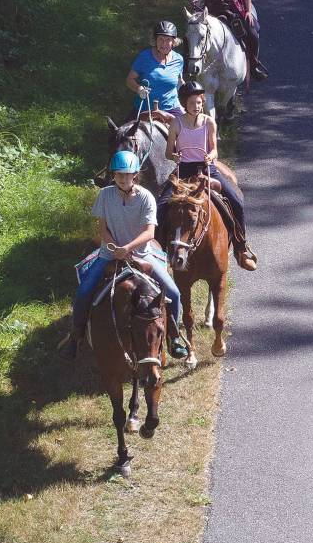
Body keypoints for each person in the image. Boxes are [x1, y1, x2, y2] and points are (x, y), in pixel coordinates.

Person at [58, 151, 188, 360]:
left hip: (141, 255)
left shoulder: (146, 197)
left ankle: (174, 339)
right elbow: (102, 229)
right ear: (113, 175)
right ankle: (77, 335)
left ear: (135, 174)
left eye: (127, 175)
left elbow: (149, 232)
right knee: (83, 292)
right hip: (109, 254)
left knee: (174, 293)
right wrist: (114, 248)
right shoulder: (104, 195)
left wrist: (127, 248)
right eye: (119, 175)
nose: (123, 178)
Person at [158, 81, 258, 271]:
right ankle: (159, 252)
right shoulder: (176, 124)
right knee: (161, 206)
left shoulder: (208, 122)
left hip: (206, 169)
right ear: (184, 104)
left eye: (198, 102)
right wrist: (175, 156)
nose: (196, 106)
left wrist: (209, 156)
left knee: (236, 201)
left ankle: (241, 248)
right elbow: (168, 152)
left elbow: (214, 150)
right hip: (183, 170)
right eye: (191, 103)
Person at [125, 21, 185, 117]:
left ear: (173, 42)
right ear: (155, 40)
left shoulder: (179, 59)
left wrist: (186, 97)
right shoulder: (144, 57)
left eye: (168, 40)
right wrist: (139, 89)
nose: (164, 43)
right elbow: (129, 80)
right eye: (160, 39)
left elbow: (179, 81)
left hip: (171, 108)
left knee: (186, 130)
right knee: (125, 131)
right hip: (145, 107)